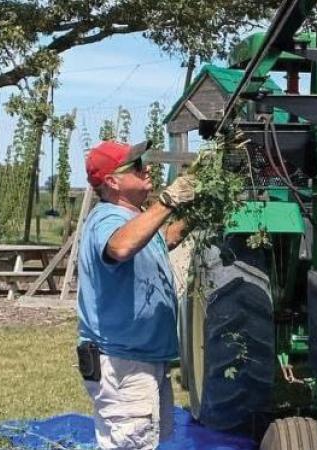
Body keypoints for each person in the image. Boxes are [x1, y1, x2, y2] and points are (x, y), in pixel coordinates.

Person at [75, 140, 196, 450]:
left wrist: (196, 210)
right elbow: (121, 247)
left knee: (146, 440)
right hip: (122, 363)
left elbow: (163, 239)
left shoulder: (133, 218)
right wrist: (167, 201)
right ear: (113, 182)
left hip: (143, 357)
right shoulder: (107, 219)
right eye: (138, 165)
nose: (148, 167)